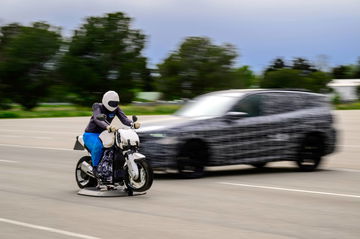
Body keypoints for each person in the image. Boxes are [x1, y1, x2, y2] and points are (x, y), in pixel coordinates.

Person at [83, 90, 141, 169]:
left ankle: (114, 168)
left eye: (116, 103)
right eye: (112, 103)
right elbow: (97, 118)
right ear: (105, 101)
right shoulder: (97, 106)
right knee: (99, 146)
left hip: (106, 133)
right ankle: (95, 168)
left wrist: (132, 124)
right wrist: (107, 126)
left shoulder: (116, 108)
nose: (114, 105)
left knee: (118, 147)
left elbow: (124, 118)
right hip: (91, 134)